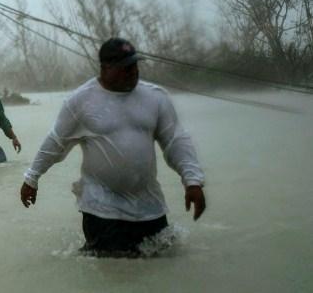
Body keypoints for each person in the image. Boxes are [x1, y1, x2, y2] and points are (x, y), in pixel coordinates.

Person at [20, 38, 206, 257]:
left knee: (160, 267)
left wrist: (192, 181)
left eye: (135, 66)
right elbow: (55, 143)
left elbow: (175, 140)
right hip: (101, 209)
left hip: (149, 207)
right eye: (125, 68)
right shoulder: (80, 101)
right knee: (112, 274)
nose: (133, 72)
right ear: (105, 68)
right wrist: (32, 178)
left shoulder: (155, 97)